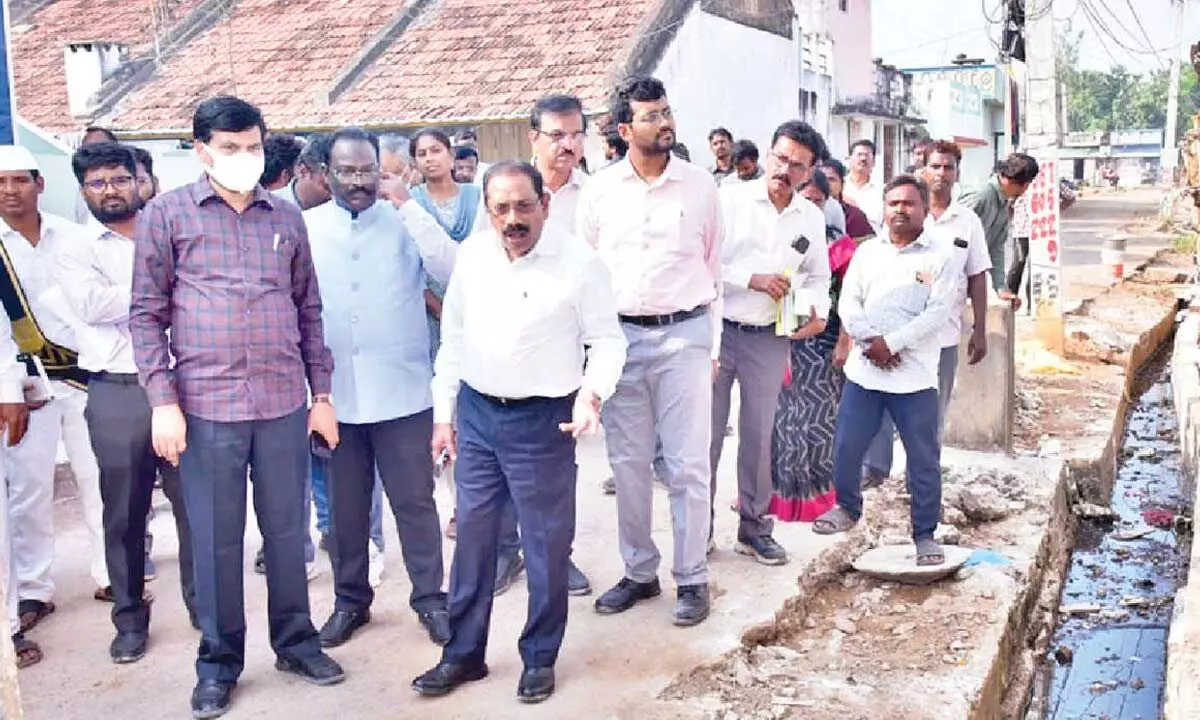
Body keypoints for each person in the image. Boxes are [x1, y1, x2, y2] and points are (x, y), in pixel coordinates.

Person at [129, 96, 344, 719]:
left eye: (252, 147)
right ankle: (218, 663)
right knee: (219, 542)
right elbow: (146, 315)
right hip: (205, 408)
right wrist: (162, 403)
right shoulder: (167, 215)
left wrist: (321, 396)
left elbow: (308, 309)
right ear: (201, 151)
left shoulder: (287, 217)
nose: (243, 159)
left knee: (287, 533)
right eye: (229, 149)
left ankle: (297, 644)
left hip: (281, 403)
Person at [413, 161, 626, 703]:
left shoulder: (580, 265)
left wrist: (592, 394)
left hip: (543, 421)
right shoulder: (474, 257)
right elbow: (453, 341)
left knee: (546, 544)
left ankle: (539, 657)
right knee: (474, 543)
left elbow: (608, 340)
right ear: (487, 210)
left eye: (524, 206)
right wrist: (444, 415)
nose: (513, 219)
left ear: (546, 205)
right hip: (480, 418)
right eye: (501, 208)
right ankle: (463, 655)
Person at [304, 127, 457, 650]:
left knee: (414, 502)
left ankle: (431, 599)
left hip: (404, 393)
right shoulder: (305, 228)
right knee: (347, 510)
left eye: (367, 169)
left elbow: (450, 270)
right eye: (345, 171)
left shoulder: (406, 220)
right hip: (334, 397)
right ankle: (351, 602)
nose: (357, 181)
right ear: (326, 175)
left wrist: (406, 206)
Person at [577, 76, 721, 627]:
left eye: (667, 111)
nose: (664, 122)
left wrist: (712, 344)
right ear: (623, 129)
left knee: (687, 465)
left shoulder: (701, 185)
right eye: (650, 115)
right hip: (618, 341)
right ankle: (640, 571)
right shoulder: (600, 190)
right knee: (629, 464)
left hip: (684, 335)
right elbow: (587, 273)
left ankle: (692, 578)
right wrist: (591, 354)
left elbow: (714, 265)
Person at [59, 142, 196, 663]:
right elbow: (90, 306)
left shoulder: (169, 229)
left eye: (119, 179)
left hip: (184, 388)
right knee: (124, 513)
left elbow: (197, 293)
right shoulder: (76, 245)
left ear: (141, 180)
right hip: (118, 391)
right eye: (97, 183)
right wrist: (162, 288)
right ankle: (130, 621)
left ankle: (205, 612)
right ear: (83, 191)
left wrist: (137, 292)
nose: (110, 191)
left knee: (195, 509)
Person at [812, 176, 957, 567]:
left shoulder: (940, 257)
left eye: (909, 203)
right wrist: (868, 341)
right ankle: (846, 507)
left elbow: (938, 313)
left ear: (925, 210)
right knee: (846, 445)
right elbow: (849, 303)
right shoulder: (868, 253)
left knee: (923, 458)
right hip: (865, 373)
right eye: (893, 202)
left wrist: (890, 344)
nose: (900, 210)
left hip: (914, 377)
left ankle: (925, 534)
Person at [711, 120, 829, 564]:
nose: (785, 170)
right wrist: (750, 279)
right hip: (719, 330)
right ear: (768, 153)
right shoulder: (730, 200)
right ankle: (698, 530)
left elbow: (817, 277)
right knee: (705, 436)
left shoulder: (810, 217)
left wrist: (817, 313)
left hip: (769, 336)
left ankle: (755, 528)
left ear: (809, 171)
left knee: (760, 438)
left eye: (797, 165)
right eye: (780, 158)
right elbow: (702, 263)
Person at [0, 145, 109, 623]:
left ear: (40, 184)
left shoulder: (75, 237)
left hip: (85, 377)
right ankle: (34, 589)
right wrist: (7, 393)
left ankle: (113, 575)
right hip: (25, 388)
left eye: (20, 180)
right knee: (29, 489)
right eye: (1, 183)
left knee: (101, 479)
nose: (10, 191)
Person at [493, 94, 594, 598]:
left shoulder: (593, 197)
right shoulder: (499, 191)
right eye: (557, 134)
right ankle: (505, 554)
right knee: (498, 462)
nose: (568, 144)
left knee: (555, 469)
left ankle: (557, 557)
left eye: (576, 134)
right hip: (504, 355)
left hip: (562, 355)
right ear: (534, 137)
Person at [862, 141, 990, 488]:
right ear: (924, 170)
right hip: (895, 330)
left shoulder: (968, 222)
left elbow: (977, 275)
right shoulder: (899, 213)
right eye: (936, 167)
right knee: (882, 400)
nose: (942, 174)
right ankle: (875, 469)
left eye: (948, 168)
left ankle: (921, 476)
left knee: (931, 410)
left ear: (957, 173)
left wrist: (980, 328)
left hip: (943, 335)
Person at [769, 170, 858, 523]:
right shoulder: (780, 239)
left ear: (828, 202)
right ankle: (779, 493)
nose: (810, 206)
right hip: (782, 335)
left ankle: (818, 493)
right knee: (783, 419)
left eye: (818, 200)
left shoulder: (842, 247)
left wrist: (843, 341)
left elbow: (851, 299)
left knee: (818, 420)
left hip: (822, 342)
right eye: (803, 199)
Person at [960, 152, 1039, 308]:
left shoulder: (1003, 202)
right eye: (1027, 184)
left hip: (969, 275)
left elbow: (996, 247)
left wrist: (1001, 287)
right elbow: (951, 235)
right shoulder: (981, 195)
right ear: (1022, 184)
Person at [273, 134, 333, 211]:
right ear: (303, 171)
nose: (334, 195)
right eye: (327, 188)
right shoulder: (269, 207)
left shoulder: (343, 210)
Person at [821, 160, 875, 240]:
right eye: (822, 179)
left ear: (842, 184)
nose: (826, 184)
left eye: (831, 179)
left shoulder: (855, 216)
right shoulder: (808, 212)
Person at [842, 139, 883, 231]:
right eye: (859, 155)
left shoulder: (882, 190)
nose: (863, 159)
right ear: (849, 159)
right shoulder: (840, 186)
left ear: (874, 162)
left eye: (867, 155)